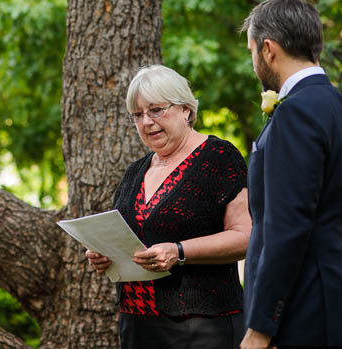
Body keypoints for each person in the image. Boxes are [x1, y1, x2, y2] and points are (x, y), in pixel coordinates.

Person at [239, 0, 342, 349]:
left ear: (269, 49)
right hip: (341, 308)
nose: (253, 62)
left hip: (306, 317)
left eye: (252, 51)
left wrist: (260, 327)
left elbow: (287, 227)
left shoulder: (295, 113)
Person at [86, 64, 251, 349]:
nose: (146, 122)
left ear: (185, 109)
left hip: (202, 325)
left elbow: (245, 237)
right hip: (137, 323)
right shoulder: (134, 172)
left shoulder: (218, 157)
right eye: (137, 115)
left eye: (156, 110)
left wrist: (179, 252)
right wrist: (105, 254)